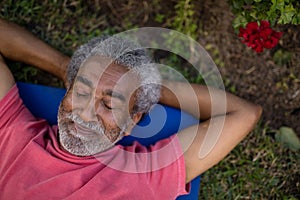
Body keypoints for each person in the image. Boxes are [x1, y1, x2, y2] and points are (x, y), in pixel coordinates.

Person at [0, 19, 262, 199]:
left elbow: (244, 114)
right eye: (80, 92)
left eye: (109, 104)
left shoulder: (148, 175)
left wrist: (147, 88)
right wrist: (63, 67)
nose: (86, 112)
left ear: (132, 121)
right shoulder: (12, 130)